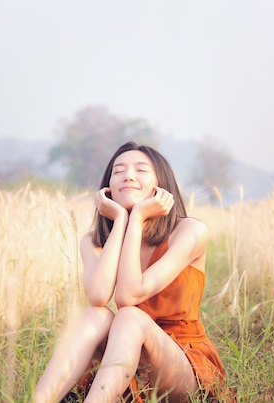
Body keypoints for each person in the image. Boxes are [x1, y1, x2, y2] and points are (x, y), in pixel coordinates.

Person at [33, 141, 233, 402]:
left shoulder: (190, 232)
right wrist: (120, 222)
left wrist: (137, 217)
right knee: (96, 316)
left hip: (180, 364)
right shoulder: (92, 242)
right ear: (107, 188)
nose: (128, 175)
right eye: (118, 171)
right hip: (124, 354)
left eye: (141, 170)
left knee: (129, 316)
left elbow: (129, 297)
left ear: (161, 186)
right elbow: (98, 296)